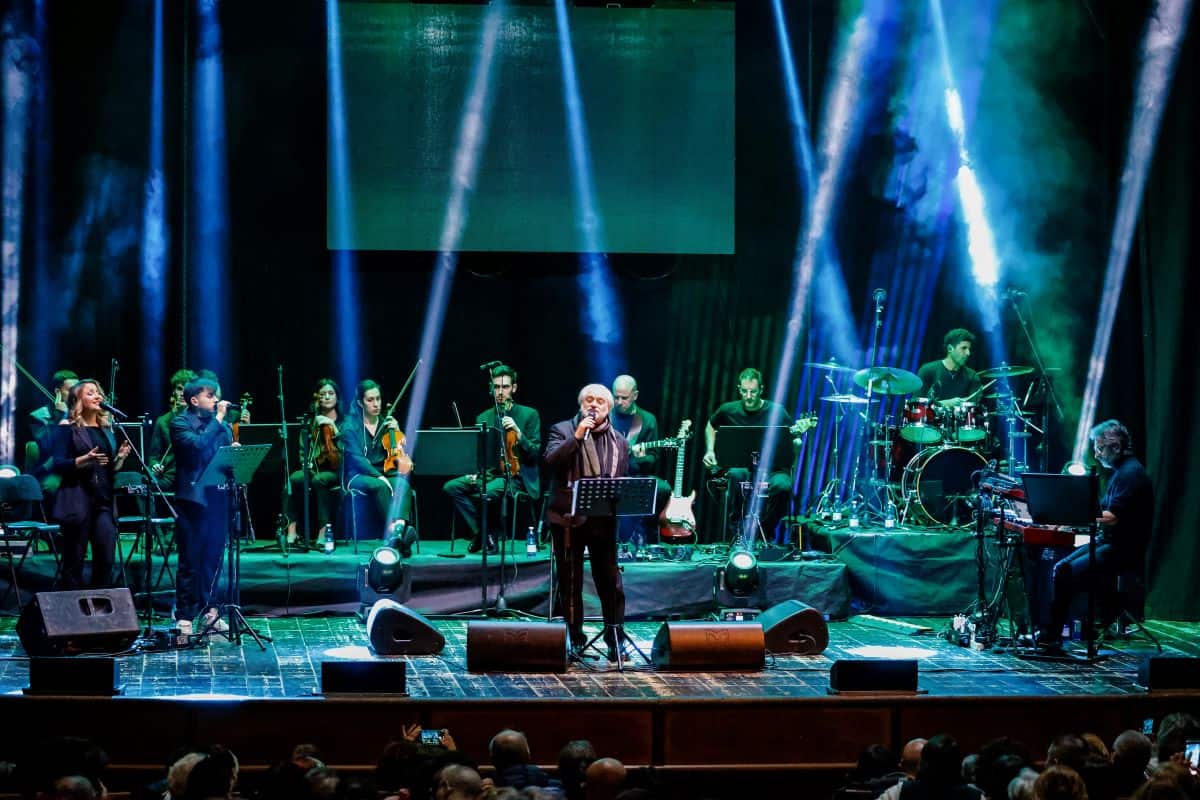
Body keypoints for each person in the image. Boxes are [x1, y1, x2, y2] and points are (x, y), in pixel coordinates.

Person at [1043, 419, 1153, 650]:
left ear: (1115, 446)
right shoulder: (1120, 472)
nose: (1096, 454)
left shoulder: (1129, 474)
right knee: (1061, 568)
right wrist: (1066, 521)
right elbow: (1098, 510)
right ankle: (1056, 630)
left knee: (1065, 572)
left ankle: (1055, 633)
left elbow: (1111, 516)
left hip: (1123, 548)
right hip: (1110, 541)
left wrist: (1074, 520)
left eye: (1100, 448)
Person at [544, 383, 630, 657]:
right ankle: (574, 637)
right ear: (581, 405)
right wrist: (578, 437)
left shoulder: (619, 441)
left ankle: (615, 638)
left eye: (600, 402)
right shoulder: (563, 430)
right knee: (571, 581)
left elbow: (622, 482)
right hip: (568, 520)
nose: (594, 405)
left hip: (603, 521)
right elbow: (551, 461)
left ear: (609, 408)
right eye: (588, 400)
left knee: (610, 581)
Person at [443, 365, 541, 554]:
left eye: (505, 387)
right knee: (452, 487)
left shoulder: (529, 414)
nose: (500, 392)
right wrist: (475, 472)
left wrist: (518, 433)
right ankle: (484, 533)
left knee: (487, 490)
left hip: (517, 478)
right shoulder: (484, 417)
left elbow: (535, 453)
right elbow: (480, 456)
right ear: (491, 388)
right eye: (496, 387)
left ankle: (486, 537)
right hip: (489, 476)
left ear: (514, 388)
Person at [702, 368, 806, 543]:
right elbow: (710, 425)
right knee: (736, 474)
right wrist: (710, 450)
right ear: (739, 389)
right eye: (744, 391)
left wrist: (797, 441)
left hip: (773, 469)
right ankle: (737, 531)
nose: (748, 396)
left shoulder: (777, 411)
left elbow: (792, 439)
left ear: (761, 390)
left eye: (753, 391)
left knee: (784, 486)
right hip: (743, 467)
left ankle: (762, 531)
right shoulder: (728, 410)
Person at [46, 379, 132, 589]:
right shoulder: (67, 427)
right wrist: (85, 460)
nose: (97, 396)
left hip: (103, 502)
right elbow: (57, 465)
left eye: (98, 392)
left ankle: (100, 612)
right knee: (74, 561)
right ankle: (72, 616)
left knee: (106, 559)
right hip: (77, 501)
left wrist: (119, 458)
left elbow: (108, 469)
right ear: (78, 400)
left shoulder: (107, 430)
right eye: (90, 393)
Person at [170, 376, 236, 636]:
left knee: (213, 558)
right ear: (195, 400)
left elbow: (223, 454)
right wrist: (219, 421)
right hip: (192, 500)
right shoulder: (180, 422)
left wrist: (234, 453)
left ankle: (210, 610)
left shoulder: (223, 426)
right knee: (190, 559)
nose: (216, 400)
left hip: (218, 498)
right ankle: (185, 613)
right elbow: (196, 447)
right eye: (211, 396)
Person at [339, 379, 414, 546]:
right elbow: (357, 459)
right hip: (357, 475)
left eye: (378, 399)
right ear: (360, 402)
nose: (376, 404)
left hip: (384, 473)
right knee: (380, 486)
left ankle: (398, 531)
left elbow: (400, 456)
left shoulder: (386, 424)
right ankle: (395, 534)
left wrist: (397, 429)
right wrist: (379, 477)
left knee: (402, 484)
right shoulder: (350, 426)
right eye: (370, 400)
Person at [610, 375, 671, 547]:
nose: (619, 401)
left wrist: (640, 457)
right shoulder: (606, 416)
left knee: (663, 488)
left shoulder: (647, 420)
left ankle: (647, 536)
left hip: (636, 475)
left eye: (624, 397)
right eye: (616, 397)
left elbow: (653, 458)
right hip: (608, 475)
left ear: (635, 395)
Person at [285, 378, 344, 545]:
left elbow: (349, 451)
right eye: (323, 394)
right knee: (293, 479)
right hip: (313, 469)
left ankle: (323, 531)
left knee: (320, 480)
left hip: (336, 470)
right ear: (317, 398)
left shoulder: (345, 422)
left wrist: (334, 427)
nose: (326, 397)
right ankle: (292, 530)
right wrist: (306, 464)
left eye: (331, 393)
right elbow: (303, 452)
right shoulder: (311, 423)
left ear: (337, 397)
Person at [27, 369, 79, 492]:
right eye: (71, 390)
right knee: (56, 486)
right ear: (58, 392)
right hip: (52, 471)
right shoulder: (39, 416)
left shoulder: (80, 414)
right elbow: (48, 446)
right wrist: (61, 416)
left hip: (78, 467)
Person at [148, 369, 197, 492]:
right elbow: (153, 456)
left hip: (195, 476)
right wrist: (155, 465)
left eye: (186, 390)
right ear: (174, 391)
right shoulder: (163, 421)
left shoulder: (201, 420)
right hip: (171, 477)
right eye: (179, 389)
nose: (182, 393)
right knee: (145, 489)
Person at [916, 328, 983, 404]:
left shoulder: (972, 376)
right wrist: (945, 404)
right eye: (964, 348)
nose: (968, 353)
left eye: (969, 349)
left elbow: (972, 408)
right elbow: (917, 403)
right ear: (950, 348)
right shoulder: (927, 370)